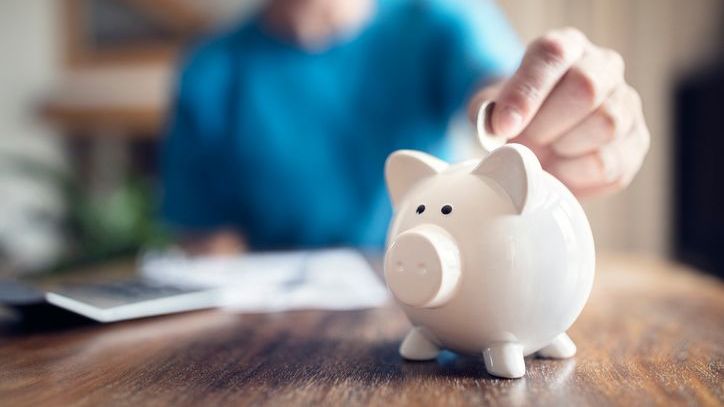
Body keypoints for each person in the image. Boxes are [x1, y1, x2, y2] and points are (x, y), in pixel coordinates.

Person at [161, 0, 650, 255]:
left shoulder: (436, 20)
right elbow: (206, 240)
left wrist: (539, 111)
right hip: (270, 339)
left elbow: (495, 92)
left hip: (428, 286)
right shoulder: (209, 70)